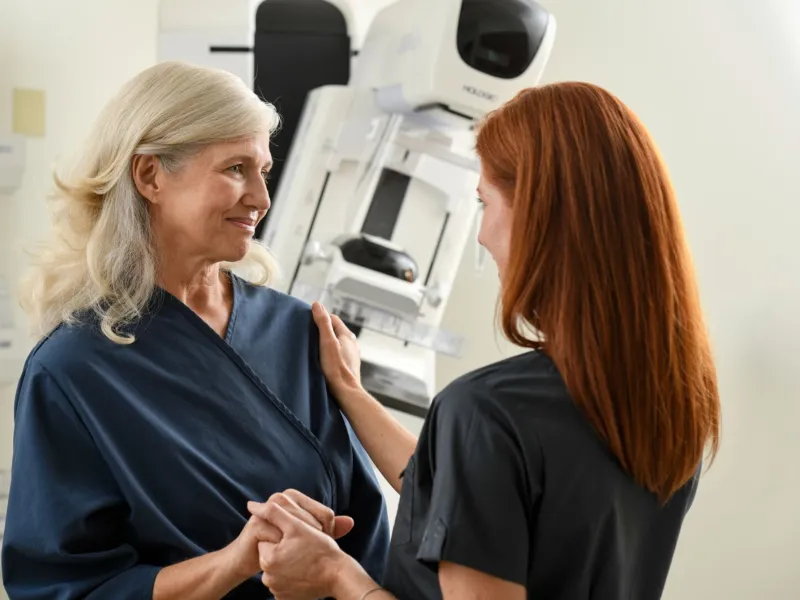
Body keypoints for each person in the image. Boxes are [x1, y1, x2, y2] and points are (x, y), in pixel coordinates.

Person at [244, 81, 723, 600]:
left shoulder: (488, 412)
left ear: (539, 217)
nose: (482, 233)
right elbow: (480, 498)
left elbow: (485, 468)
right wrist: (353, 395)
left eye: (485, 203)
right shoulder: (666, 408)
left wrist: (338, 576)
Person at [0, 61, 389, 600]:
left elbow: (367, 533)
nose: (261, 197)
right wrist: (232, 563)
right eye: (235, 169)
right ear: (150, 176)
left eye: (263, 171)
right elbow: (67, 588)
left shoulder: (299, 331)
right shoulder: (72, 371)